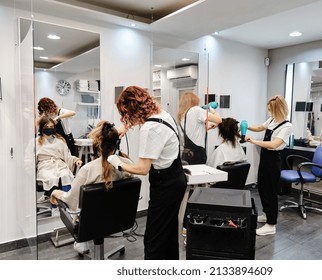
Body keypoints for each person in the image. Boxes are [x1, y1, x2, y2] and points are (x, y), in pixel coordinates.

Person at [107, 86, 186, 260]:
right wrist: (126, 127)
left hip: (165, 184)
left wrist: (117, 162)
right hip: (176, 178)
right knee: (169, 233)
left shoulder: (150, 128)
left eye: (127, 113)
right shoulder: (164, 114)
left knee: (153, 240)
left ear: (132, 109)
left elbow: (142, 169)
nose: (127, 117)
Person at [50, 120, 134, 255]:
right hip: (118, 220)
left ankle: (81, 242)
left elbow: (71, 199)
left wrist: (56, 193)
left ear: (97, 145)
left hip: (91, 223)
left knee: (76, 207)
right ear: (116, 144)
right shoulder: (127, 165)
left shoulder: (87, 170)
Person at [245, 95, 293, 236]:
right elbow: (260, 127)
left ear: (278, 109)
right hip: (265, 159)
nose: (269, 112)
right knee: (262, 188)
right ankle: (267, 215)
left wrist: (253, 141)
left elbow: (274, 144)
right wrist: (247, 126)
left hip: (273, 160)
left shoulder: (286, 126)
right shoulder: (272, 120)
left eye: (270, 109)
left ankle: (271, 225)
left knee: (270, 192)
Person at [35, 116, 83, 215]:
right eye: (47, 126)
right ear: (41, 128)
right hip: (45, 166)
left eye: (51, 126)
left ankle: (69, 204)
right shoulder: (35, 142)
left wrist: (76, 160)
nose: (49, 128)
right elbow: (30, 160)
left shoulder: (60, 141)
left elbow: (68, 156)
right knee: (51, 178)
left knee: (66, 175)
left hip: (59, 165)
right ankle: (55, 207)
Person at [177, 92, 222, 164]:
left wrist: (208, 127)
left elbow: (193, 130)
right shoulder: (196, 110)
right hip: (197, 154)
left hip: (187, 154)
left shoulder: (182, 115)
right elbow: (219, 120)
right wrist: (212, 110)